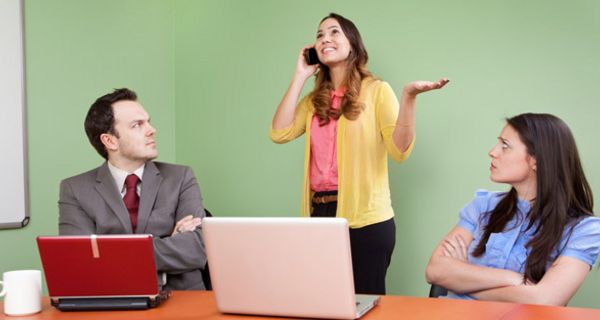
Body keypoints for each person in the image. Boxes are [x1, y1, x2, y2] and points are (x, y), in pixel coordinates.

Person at [270, 12, 448, 294]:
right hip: (320, 215)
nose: (325, 38)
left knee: (365, 306)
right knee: (323, 302)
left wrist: (408, 98)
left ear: (352, 43)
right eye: (319, 35)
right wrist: (300, 76)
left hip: (367, 220)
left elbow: (399, 150)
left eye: (333, 32)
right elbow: (279, 132)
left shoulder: (377, 91)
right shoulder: (313, 101)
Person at [425, 113, 600, 305]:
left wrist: (462, 279)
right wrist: (514, 279)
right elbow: (435, 270)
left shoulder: (584, 231)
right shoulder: (483, 206)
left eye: (505, 146)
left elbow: (545, 299)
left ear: (536, 160)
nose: (492, 152)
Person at [59, 88, 207, 290]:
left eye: (148, 121)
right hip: (112, 304)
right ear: (110, 141)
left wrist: (109, 251)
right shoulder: (75, 189)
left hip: (183, 302)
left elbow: (196, 250)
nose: (151, 129)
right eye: (137, 125)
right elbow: (80, 262)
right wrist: (169, 242)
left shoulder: (181, 177)